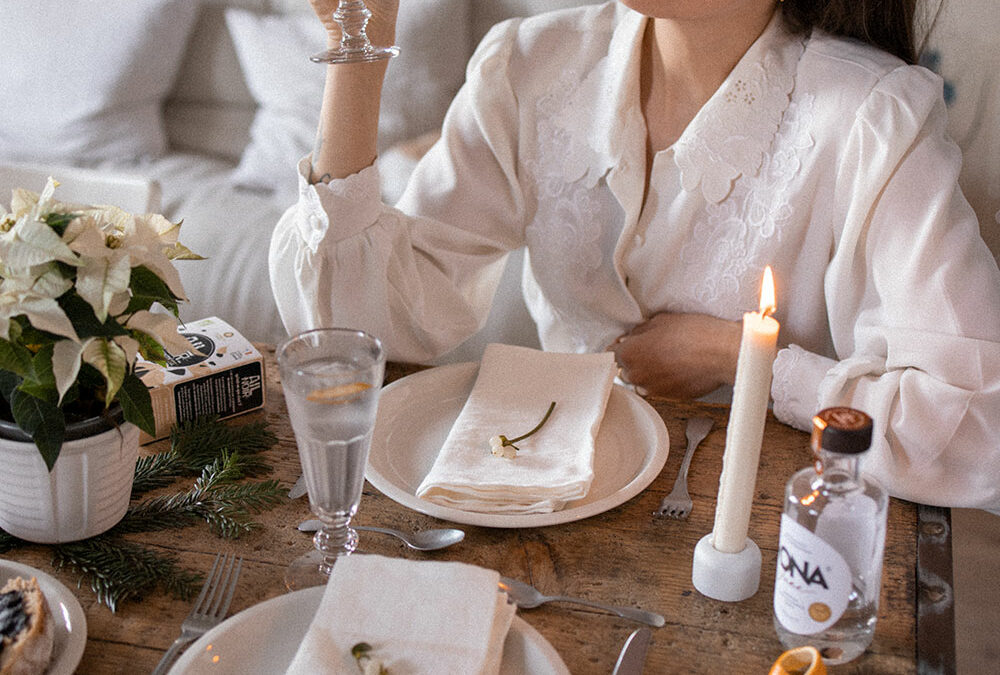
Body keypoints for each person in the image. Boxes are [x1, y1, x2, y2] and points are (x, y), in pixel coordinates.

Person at [269, 0, 1000, 512]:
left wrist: (748, 359)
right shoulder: (526, 66)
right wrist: (357, 60)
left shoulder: (876, 119)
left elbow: (978, 430)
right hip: (527, 507)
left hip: (760, 536)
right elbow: (358, 331)